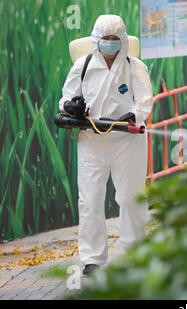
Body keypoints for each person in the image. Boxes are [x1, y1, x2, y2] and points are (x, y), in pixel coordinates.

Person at [59, 15, 153, 276]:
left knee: (130, 197)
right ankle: (92, 259)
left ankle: (136, 253)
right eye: (105, 39)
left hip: (127, 141)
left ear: (123, 40)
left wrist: (133, 115)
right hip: (91, 141)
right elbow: (66, 97)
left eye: (115, 39)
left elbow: (145, 101)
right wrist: (70, 106)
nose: (110, 44)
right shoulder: (83, 65)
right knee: (89, 200)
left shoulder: (135, 67)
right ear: (96, 40)